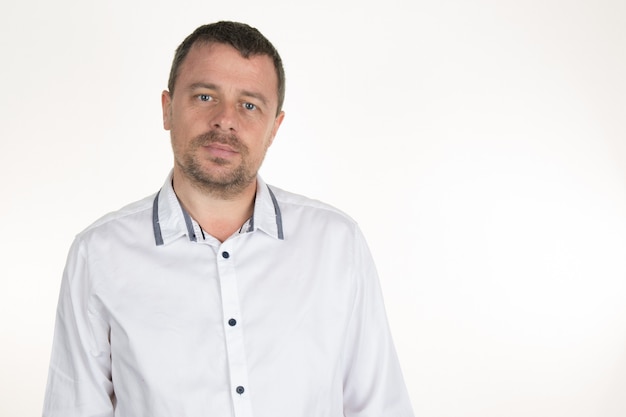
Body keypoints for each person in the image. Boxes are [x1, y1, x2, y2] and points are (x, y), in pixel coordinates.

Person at [43, 21, 414, 417]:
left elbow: (379, 406)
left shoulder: (337, 244)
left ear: (275, 127)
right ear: (167, 109)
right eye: (205, 96)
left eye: (249, 105)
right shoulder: (99, 255)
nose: (225, 120)